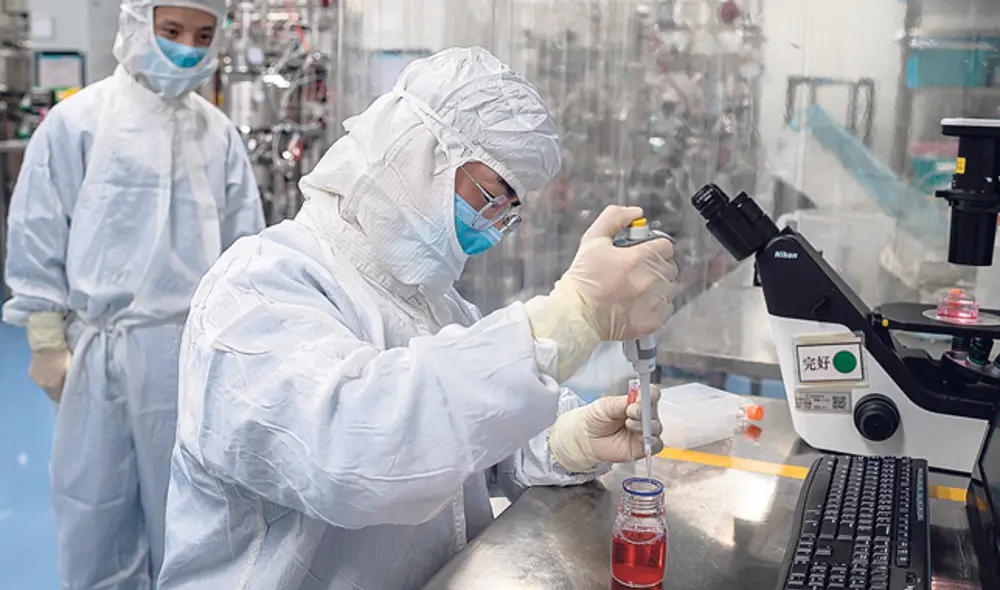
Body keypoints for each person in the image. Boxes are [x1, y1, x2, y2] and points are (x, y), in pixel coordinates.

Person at [157, 47, 677, 590]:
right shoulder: (258, 286)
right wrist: (570, 317)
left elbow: (463, 441)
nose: (493, 224)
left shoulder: (432, 301)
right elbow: (358, 453)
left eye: (509, 210)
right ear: (417, 151)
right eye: (490, 196)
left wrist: (565, 442)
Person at [2, 0, 265, 587]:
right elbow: (39, 229)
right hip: (100, 354)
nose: (186, 48)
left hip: (195, 358)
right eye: (171, 30)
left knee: (193, 518)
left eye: (202, 35)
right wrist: (45, 337)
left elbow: (246, 251)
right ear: (136, 23)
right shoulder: (78, 122)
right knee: (96, 512)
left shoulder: (217, 134)